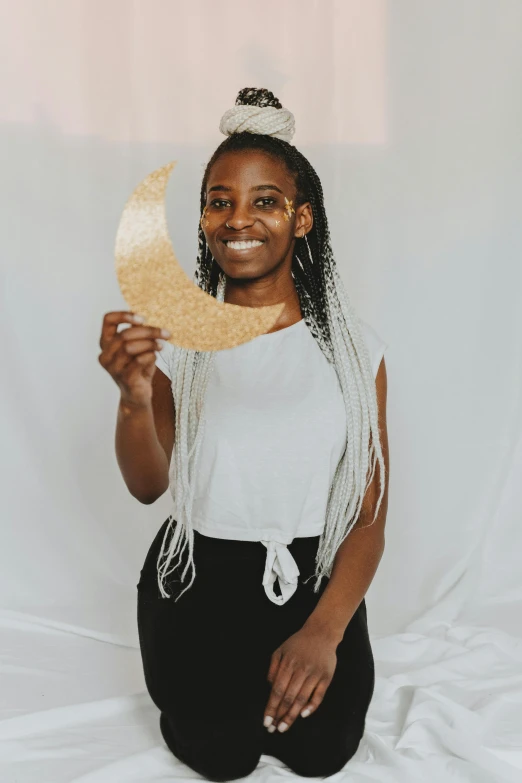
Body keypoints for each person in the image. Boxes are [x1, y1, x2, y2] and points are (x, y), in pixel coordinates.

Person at [99, 87, 390, 781]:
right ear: (202, 218)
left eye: (265, 200)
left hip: (316, 580)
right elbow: (147, 486)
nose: (239, 218)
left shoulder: (355, 352)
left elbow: (371, 509)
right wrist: (135, 397)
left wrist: (324, 633)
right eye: (219, 199)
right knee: (219, 756)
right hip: (200, 582)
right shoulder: (180, 345)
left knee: (325, 753)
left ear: (303, 217)